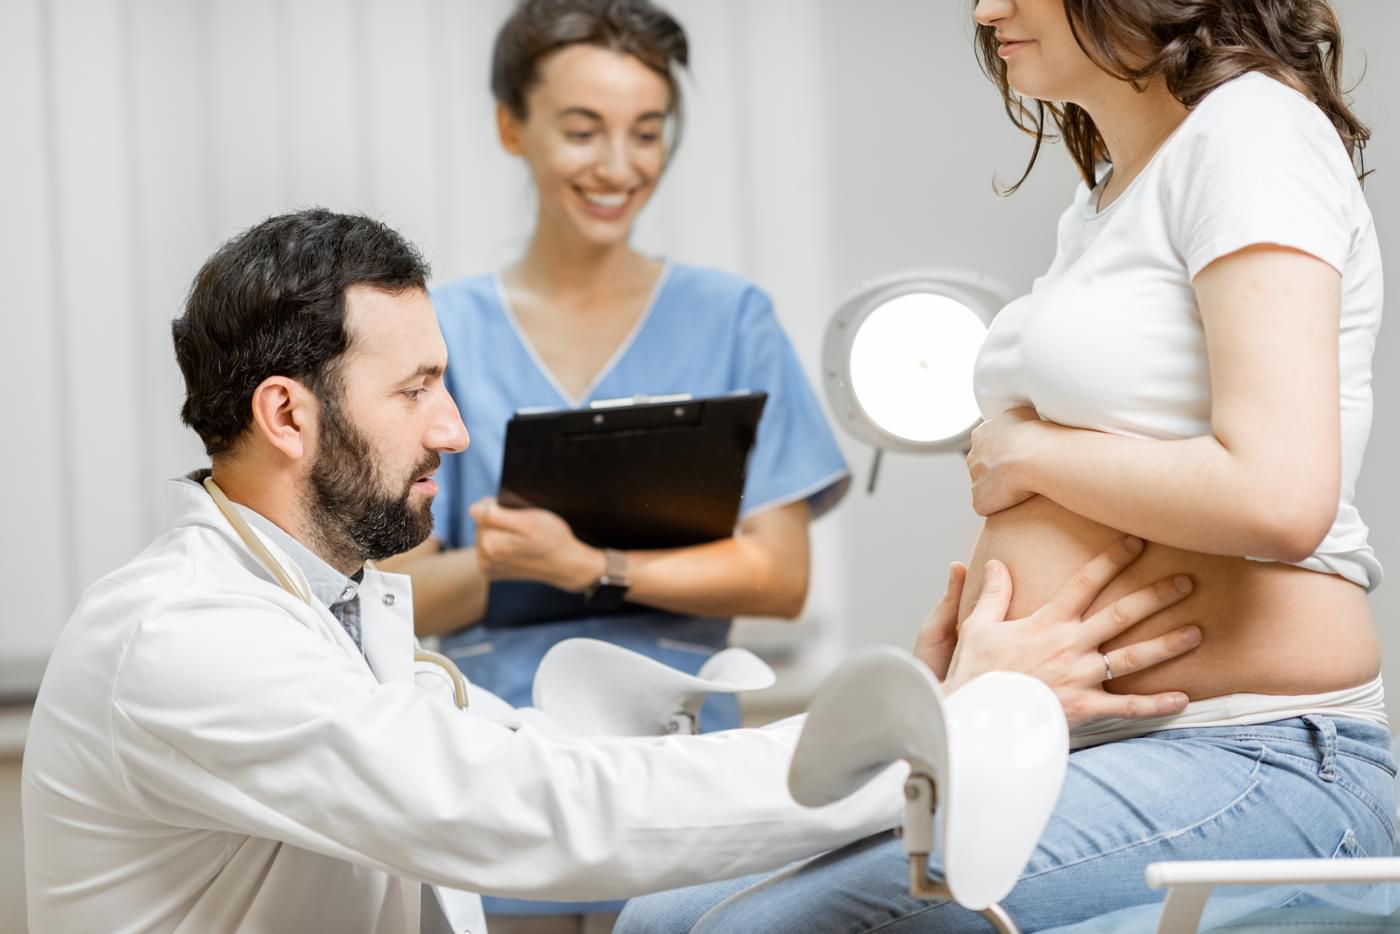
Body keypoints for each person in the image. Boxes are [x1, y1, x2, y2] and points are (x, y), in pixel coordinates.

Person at [20, 208, 1204, 934]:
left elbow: (540, 758)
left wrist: (897, 712)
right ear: (287, 414)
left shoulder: (345, 604)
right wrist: (928, 745)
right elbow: (527, 811)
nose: (451, 431)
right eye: (416, 389)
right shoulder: (184, 638)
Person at [614, 0, 1393, 930]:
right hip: (1076, 739)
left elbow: (1282, 496)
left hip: (1260, 750)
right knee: (660, 916)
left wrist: (1029, 452)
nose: (986, 11)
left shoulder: (1254, 131)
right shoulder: (1108, 190)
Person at [386, 0, 846, 736]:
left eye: (647, 132)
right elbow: (393, 591)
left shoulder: (732, 319)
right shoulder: (441, 331)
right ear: (512, 127)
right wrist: (516, 562)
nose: (619, 167)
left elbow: (781, 577)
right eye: (581, 131)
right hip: (497, 740)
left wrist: (592, 565)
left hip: (685, 739)